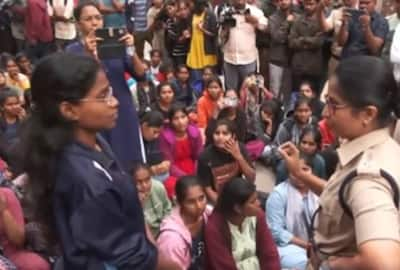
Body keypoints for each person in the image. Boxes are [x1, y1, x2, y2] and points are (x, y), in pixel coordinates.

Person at [19, 53, 180, 270]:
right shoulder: (86, 181)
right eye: (103, 95)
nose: (114, 102)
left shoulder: (94, 141)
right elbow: (133, 258)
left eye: (111, 92)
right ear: (69, 110)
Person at [279, 56, 400, 270]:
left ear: (367, 114)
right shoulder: (381, 149)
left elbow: (385, 262)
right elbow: (344, 198)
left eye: (334, 104)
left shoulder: (367, 178)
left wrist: (331, 264)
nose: (325, 113)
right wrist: (301, 173)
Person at [67, 1, 146, 169]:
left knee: (131, 163)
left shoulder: (116, 44)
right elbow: (77, 83)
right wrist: (89, 54)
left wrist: (131, 49)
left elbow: (141, 74)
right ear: (78, 24)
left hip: (122, 110)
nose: (94, 22)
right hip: (93, 114)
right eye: (88, 19)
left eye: (98, 18)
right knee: (104, 164)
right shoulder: (72, 51)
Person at [204, 177, 280, 270]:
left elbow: (269, 253)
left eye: (257, 199)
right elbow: (223, 266)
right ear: (238, 208)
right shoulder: (214, 228)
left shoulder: (258, 216)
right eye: (252, 202)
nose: (259, 203)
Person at [266, 155, 318, 270]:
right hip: (287, 246)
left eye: (304, 169)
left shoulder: (317, 192)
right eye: (294, 171)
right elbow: (276, 231)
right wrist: (307, 245)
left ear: (312, 171)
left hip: (316, 245)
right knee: (309, 264)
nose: (299, 175)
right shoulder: (279, 194)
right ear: (288, 172)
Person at [157, 176, 210, 270]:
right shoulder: (170, 240)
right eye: (191, 202)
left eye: (201, 198)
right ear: (179, 202)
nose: (199, 206)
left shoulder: (208, 215)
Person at [198, 119, 255, 205]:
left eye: (225, 133)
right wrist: (222, 206)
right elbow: (207, 188)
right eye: (217, 133)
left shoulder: (240, 148)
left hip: (238, 192)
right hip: (217, 197)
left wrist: (239, 157)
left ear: (233, 136)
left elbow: (251, 179)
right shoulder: (205, 156)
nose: (220, 137)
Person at [220, 0, 267, 91]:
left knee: (249, 91)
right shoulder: (225, 12)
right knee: (231, 92)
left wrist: (255, 21)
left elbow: (265, 26)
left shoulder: (255, 11)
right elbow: (220, 37)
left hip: (248, 59)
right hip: (229, 59)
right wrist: (225, 29)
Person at [0, 188, 50, 270]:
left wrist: (4, 211)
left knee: (37, 265)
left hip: (10, 252)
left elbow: (18, 241)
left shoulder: (5, 194)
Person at [159, 103, 203, 178]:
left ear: (187, 117)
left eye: (183, 117)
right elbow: (168, 163)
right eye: (176, 119)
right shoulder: (165, 137)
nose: (181, 122)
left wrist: (196, 173)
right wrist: (185, 177)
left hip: (194, 167)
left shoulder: (195, 132)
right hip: (174, 171)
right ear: (171, 121)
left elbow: (199, 156)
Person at [289, 0, 323, 92]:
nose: (308, 7)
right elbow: (291, 42)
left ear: (317, 4)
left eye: (311, 4)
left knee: (313, 97)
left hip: (314, 67)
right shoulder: (298, 20)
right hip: (298, 66)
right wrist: (309, 41)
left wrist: (302, 39)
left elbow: (319, 42)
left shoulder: (322, 21)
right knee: (296, 96)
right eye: (306, 4)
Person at [316, 0, 358, 74]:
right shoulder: (336, 12)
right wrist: (319, 10)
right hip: (336, 59)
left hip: (355, 61)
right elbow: (325, 28)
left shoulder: (362, 13)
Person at [132, 163, 171, 237]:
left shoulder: (158, 187)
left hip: (164, 229)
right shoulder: (131, 198)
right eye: (139, 182)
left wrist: (165, 230)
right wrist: (139, 205)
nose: (144, 185)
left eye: (147, 180)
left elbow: (167, 209)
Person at [268, 0, 295, 101]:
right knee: (275, 94)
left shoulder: (297, 16)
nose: (283, 1)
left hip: (292, 61)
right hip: (276, 61)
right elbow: (277, 37)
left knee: (289, 96)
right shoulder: (273, 18)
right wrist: (287, 22)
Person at [186, 0, 217, 82]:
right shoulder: (191, 15)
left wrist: (202, 29)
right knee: (196, 81)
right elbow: (190, 30)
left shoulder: (210, 15)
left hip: (207, 52)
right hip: (194, 51)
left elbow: (214, 34)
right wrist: (188, 33)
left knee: (209, 80)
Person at [140, 111, 171, 182]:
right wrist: (150, 170)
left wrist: (165, 163)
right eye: (154, 132)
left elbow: (160, 157)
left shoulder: (155, 139)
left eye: (159, 133)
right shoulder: (135, 142)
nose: (156, 136)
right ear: (144, 126)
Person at [196, 76, 223, 140]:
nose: (213, 90)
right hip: (209, 128)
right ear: (207, 89)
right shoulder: (202, 101)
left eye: (216, 87)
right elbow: (202, 123)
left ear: (220, 88)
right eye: (210, 87)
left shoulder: (224, 99)